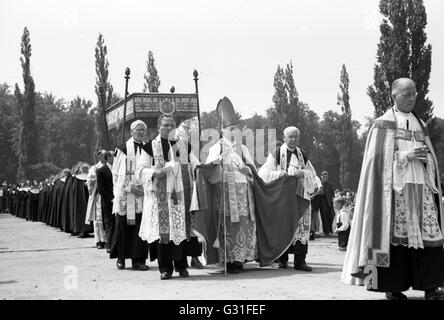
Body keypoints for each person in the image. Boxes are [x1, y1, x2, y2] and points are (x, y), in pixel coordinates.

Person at [342, 78, 444, 300]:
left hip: (420, 187)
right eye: (407, 93)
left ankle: (431, 285)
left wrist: (426, 159)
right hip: (393, 193)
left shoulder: (421, 124)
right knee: (390, 240)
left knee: (430, 238)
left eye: (415, 93)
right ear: (394, 95)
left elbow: (431, 158)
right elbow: (376, 161)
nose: (413, 97)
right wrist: (405, 156)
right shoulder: (382, 124)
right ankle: (390, 287)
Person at [136, 114, 200, 279]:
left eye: (172, 125)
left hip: (180, 195)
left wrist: (204, 170)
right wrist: (154, 171)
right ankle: (165, 268)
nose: (169, 128)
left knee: (180, 232)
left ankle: (181, 266)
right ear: (159, 127)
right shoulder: (150, 146)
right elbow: (140, 171)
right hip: (160, 198)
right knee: (164, 234)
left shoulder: (184, 145)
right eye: (165, 125)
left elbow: (196, 165)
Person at [203, 97, 257, 274]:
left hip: (244, 194)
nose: (234, 132)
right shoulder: (216, 148)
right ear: (223, 130)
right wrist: (218, 162)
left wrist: (247, 169)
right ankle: (228, 259)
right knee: (229, 226)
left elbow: (253, 171)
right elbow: (208, 173)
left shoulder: (244, 149)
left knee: (243, 224)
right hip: (225, 193)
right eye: (230, 129)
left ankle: (241, 258)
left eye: (236, 129)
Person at [258, 126, 320, 271]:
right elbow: (264, 172)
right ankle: (283, 259)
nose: (293, 139)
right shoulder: (277, 153)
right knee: (284, 226)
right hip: (283, 197)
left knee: (301, 228)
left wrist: (302, 173)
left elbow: (312, 174)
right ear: (284, 137)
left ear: (299, 138)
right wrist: (280, 174)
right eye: (290, 137)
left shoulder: (302, 154)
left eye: (295, 137)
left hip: (299, 196)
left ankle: (300, 261)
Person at [111, 120, 149, 271]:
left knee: (139, 227)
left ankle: (138, 259)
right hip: (126, 195)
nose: (140, 132)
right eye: (137, 129)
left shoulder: (147, 149)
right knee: (124, 227)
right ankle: (121, 258)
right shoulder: (123, 149)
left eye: (142, 130)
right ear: (131, 131)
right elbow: (117, 173)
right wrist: (129, 187)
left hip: (142, 194)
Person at [86, 150, 108, 249]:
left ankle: (107, 239)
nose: (106, 157)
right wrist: (98, 180)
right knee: (98, 219)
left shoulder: (110, 166)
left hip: (108, 195)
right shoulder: (94, 168)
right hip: (98, 196)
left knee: (107, 218)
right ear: (99, 157)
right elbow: (89, 181)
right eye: (104, 155)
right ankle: (99, 240)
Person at [97, 150, 115, 253]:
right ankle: (109, 244)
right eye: (113, 156)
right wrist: (111, 198)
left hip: (118, 200)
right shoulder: (101, 171)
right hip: (108, 202)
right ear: (107, 158)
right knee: (109, 223)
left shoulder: (118, 168)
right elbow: (101, 189)